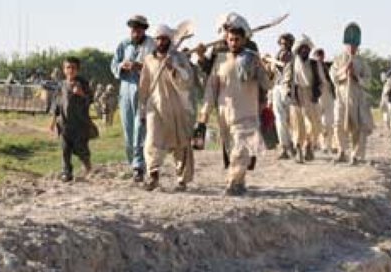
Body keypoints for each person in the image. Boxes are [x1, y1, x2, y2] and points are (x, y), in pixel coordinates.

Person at [197, 16, 271, 196]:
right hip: (225, 114)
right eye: (230, 39)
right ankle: (240, 181)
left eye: (237, 39)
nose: (233, 42)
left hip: (247, 113)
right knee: (233, 152)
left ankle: (232, 183)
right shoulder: (220, 60)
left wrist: (266, 68)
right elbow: (211, 89)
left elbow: (267, 84)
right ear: (226, 40)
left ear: (244, 40)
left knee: (241, 149)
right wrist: (204, 116)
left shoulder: (252, 60)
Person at [139, 24, 195, 192]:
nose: (161, 41)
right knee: (152, 141)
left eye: (164, 38)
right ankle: (153, 175)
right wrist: (142, 107)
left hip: (177, 106)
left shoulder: (180, 58)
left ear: (170, 40)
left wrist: (173, 67)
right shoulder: (149, 60)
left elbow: (187, 82)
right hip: (154, 106)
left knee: (181, 143)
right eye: (158, 38)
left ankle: (182, 180)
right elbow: (144, 85)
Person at [110, 15, 156, 182]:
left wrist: (139, 66)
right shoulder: (124, 45)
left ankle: (139, 166)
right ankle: (133, 163)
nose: (135, 31)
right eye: (133, 28)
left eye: (138, 28)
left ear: (144, 29)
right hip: (125, 91)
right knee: (128, 130)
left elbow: (157, 67)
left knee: (139, 129)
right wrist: (122, 66)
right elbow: (114, 65)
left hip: (144, 92)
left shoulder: (152, 45)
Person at [330, 23, 374, 165]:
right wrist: (344, 71)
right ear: (345, 44)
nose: (352, 47)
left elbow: (368, 81)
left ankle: (355, 155)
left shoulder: (362, 62)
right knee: (338, 124)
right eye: (349, 45)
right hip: (341, 95)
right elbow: (333, 76)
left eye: (354, 45)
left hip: (357, 97)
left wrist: (356, 76)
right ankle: (341, 151)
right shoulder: (338, 60)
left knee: (359, 127)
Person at [49, 57, 95, 182]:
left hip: (80, 124)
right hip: (64, 124)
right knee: (65, 148)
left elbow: (90, 99)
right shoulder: (61, 86)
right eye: (68, 67)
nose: (70, 70)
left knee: (81, 148)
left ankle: (87, 164)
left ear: (78, 70)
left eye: (73, 68)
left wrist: (81, 94)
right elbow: (56, 105)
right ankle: (66, 172)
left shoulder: (83, 84)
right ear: (64, 70)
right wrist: (53, 123)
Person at [289, 34, 322, 163]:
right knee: (298, 125)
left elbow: (320, 81)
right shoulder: (292, 64)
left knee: (314, 125)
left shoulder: (314, 64)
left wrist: (316, 93)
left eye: (307, 49)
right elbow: (287, 81)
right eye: (302, 48)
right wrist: (290, 95)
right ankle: (299, 151)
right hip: (297, 96)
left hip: (310, 95)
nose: (304, 51)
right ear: (298, 50)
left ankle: (309, 146)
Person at [267, 33, 296, 159]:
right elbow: (271, 75)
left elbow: (287, 69)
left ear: (291, 44)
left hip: (289, 89)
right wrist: (267, 62)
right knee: (280, 119)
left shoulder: (293, 57)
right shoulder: (277, 56)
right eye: (282, 43)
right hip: (277, 89)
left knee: (291, 120)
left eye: (286, 43)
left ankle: (294, 145)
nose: (284, 46)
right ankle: (284, 147)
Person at [313, 48, 336, 153]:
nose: (320, 57)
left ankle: (329, 144)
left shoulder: (328, 65)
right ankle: (322, 144)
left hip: (328, 95)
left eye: (321, 55)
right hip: (318, 96)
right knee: (320, 123)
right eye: (318, 55)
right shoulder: (312, 67)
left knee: (329, 122)